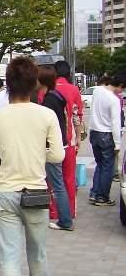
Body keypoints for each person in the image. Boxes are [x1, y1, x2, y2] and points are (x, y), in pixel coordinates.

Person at [0, 57, 64, 276]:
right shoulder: (46, 115)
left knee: (9, 256)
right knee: (37, 248)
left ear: (8, 84)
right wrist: (37, 155)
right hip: (35, 191)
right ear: (34, 84)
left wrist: (0, 181)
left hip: (6, 192)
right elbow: (58, 155)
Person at [37, 67, 73, 231]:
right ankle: (64, 219)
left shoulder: (49, 101)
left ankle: (65, 221)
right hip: (60, 144)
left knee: (57, 186)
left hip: (52, 147)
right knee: (58, 184)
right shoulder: (56, 96)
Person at [88, 74, 126, 206]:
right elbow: (116, 123)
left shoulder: (97, 91)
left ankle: (94, 193)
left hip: (94, 132)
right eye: (122, 89)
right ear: (120, 85)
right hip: (106, 135)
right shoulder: (113, 99)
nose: (121, 92)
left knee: (100, 165)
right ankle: (102, 197)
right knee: (107, 168)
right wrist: (117, 144)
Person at [54, 61, 84, 216]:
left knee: (51, 179)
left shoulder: (46, 90)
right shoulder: (74, 89)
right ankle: (70, 210)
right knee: (69, 178)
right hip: (69, 140)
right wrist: (78, 137)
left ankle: (53, 211)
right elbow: (77, 116)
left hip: (50, 142)